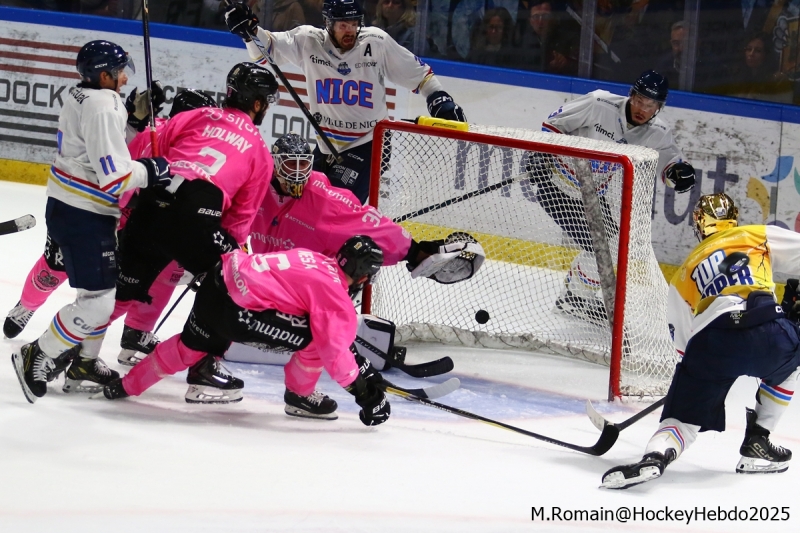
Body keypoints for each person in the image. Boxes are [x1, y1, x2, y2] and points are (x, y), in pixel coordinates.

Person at [200, 132, 485, 402]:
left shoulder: (323, 200)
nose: (297, 172)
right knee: (217, 295)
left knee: (325, 328)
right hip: (261, 282)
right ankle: (208, 364)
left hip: (301, 290)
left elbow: (367, 221)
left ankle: (314, 384)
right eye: (290, 164)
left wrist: (413, 250)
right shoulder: (256, 185)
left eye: (303, 164)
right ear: (274, 165)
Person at [84, 63, 278, 404]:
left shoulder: (200, 115)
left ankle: (69, 349)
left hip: (153, 204)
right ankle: (204, 368)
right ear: (258, 104)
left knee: (122, 291)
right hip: (198, 214)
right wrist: (223, 252)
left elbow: (147, 148)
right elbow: (240, 219)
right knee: (232, 286)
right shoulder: (260, 152)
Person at [3, 89, 218, 370]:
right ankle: (27, 307)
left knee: (138, 284)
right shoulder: (151, 134)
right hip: (98, 214)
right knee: (56, 266)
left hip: (141, 232)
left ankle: (107, 341)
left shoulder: (201, 150)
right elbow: (114, 168)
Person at [11, 40, 174, 403]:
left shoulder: (81, 94)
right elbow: (114, 177)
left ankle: (84, 363)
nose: (124, 77)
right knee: (99, 302)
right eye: (118, 72)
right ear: (103, 75)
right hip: (84, 212)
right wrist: (153, 170)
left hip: (71, 205)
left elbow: (99, 148)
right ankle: (38, 353)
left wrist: (131, 121)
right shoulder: (103, 104)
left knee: (101, 293)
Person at [602, 193, 800, 489]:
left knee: (682, 420)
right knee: (792, 364)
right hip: (767, 330)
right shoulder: (753, 234)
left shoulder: (683, 273)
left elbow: (684, 346)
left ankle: (655, 457)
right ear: (734, 218)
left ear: (699, 225)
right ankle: (759, 439)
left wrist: (702, 378)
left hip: (710, 342)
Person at [96, 237, 392, 427]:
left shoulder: (312, 256)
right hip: (235, 310)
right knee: (316, 339)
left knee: (190, 346)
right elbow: (334, 352)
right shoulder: (336, 299)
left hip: (218, 277)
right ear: (365, 275)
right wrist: (365, 394)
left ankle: (126, 386)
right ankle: (300, 395)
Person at [223, 0, 467, 204]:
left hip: (369, 143)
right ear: (329, 24)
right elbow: (264, 52)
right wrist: (250, 32)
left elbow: (420, 74)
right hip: (327, 144)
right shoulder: (308, 40)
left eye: (354, 23)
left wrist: (439, 99)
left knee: (331, 206)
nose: (350, 30)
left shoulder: (376, 42)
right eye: (343, 24)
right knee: (300, 202)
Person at [533, 69, 695, 324]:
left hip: (592, 196)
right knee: (603, 247)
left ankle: (574, 297)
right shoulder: (599, 103)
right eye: (639, 99)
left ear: (658, 108)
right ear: (630, 95)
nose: (642, 108)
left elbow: (670, 164)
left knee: (614, 245)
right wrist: (540, 155)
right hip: (557, 185)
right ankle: (574, 299)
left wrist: (679, 172)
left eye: (650, 104)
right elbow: (553, 125)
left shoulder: (658, 133)